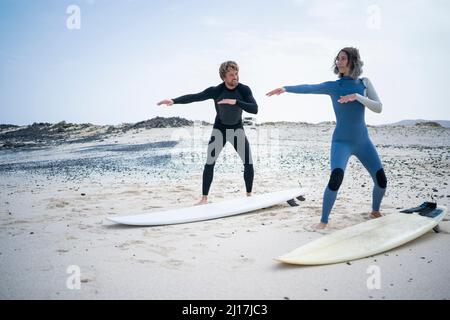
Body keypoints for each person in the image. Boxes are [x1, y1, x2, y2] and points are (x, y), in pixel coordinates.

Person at [266, 47, 387, 229]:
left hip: (363, 142)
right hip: (341, 142)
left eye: (343, 59)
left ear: (353, 61)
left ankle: (375, 210)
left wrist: (357, 97)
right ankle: (323, 220)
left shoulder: (364, 83)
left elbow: (378, 108)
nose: (338, 62)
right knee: (336, 178)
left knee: (381, 180)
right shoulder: (334, 86)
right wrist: (285, 88)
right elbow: (309, 88)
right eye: (337, 59)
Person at [157, 61, 258, 205]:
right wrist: (174, 101)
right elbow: (195, 97)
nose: (235, 77)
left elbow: (254, 109)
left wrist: (235, 102)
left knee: (248, 162)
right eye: (231, 75)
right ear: (224, 77)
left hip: (237, 129)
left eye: (236, 74)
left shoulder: (244, 90)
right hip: (220, 130)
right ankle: (204, 199)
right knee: (209, 163)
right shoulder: (216, 90)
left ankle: (249, 196)